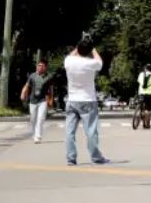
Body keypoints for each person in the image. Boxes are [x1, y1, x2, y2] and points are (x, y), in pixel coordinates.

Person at [63, 37, 110, 165]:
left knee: (69, 131)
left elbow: (71, 55)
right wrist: (93, 48)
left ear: (77, 48)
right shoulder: (90, 63)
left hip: (72, 100)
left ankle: (71, 159)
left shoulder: (68, 61)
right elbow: (100, 62)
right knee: (90, 131)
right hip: (88, 100)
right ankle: (96, 157)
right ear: (89, 51)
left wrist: (79, 45)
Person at [21, 59, 55, 143]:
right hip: (33, 100)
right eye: (39, 65)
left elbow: (51, 90)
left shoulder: (49, 77)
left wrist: (51, 99)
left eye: (42, 66)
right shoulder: (32, 76)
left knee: (40, 119)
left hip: (43, 100)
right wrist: (23, 93)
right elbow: (27, 85)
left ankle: (38, 136)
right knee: (33, 119)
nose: (40, 67)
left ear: (45, 67)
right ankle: (34, 134)